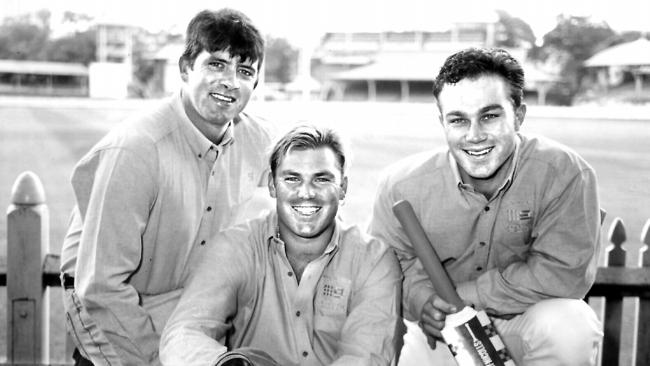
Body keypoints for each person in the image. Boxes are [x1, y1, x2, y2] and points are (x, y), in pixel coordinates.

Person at [59, 8, 273, 366]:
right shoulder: (137, 149)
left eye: (245, 71)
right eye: (217, 64)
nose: (230, 81)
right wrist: (155, 358)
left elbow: (309, 173)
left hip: (186, 321)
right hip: (113, 316)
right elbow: (100, 287)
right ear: (187, 68)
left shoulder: (256, 139)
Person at [368, 47, 603, 366]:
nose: (474, 136)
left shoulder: (564, 172)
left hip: (524, 319)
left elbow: (563, 274)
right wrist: (422, 301)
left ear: (518, 115)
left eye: (490, 116)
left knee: (572, 324)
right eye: (458, 120)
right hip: (441, 328)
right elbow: (387, 271)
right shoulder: (400, 185)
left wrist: (466, 295)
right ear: (442, 122)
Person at [160, 125, 402, 366]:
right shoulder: (234, 247)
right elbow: (184, 332)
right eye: (292, 178)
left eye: (321, 179)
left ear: (343, 189)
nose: (306, 192)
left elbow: (366, 357)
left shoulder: (374, 260)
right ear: (273, 186)